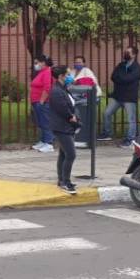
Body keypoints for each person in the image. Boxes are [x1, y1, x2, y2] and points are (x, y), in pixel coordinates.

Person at [99, 47, 140, 146]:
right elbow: (113, 77)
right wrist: (123, 78)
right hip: (117, 96)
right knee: (107, 113)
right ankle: (107, 133)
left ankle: (130, 139)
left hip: (129, 97)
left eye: (128, 52)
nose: (125, 53)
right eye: (125, 52)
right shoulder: (121, 65)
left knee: (131, 119)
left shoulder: (137, 67)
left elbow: (129, 78)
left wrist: (121, 78)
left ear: (134, 55)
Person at [48, 65, 79, 195]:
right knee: (71, 154)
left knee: (63, 154)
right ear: (61, 76)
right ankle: (66, 182)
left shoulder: (63, 88)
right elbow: (62, 108)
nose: (70, 77)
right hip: (62, 127)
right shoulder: (56, 91)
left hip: (65, 126)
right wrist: (71, 116)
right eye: (67, 75)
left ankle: (61, 180)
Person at [30, 54, 55, 153]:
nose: (35, 65)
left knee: (45, 122)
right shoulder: (42, 72)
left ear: (43, 63)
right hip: (37, 101)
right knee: (41, 122)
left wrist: (41, 101)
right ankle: (43, 141)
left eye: (37, 63)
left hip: (42, 102)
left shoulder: (47, 72)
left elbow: (47, 88)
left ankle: (49, 143)